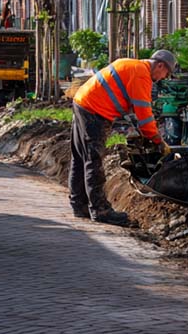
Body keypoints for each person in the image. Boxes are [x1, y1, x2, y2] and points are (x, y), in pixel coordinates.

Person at [69, 49, 176, 226]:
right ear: (160, 65)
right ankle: (100, 210)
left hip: (83, 101)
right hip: (95, 111)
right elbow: (145, 116)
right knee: (92, 159)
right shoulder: (142, 75)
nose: (163, 77)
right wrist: (158, 140)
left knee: (79, 157)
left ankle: (79, 205)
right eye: (166, 73)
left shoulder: (132, 65)